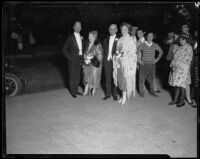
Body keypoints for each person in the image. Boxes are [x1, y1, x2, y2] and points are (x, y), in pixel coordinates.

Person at [113, 22, 137, 105]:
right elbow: (117, 51)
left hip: (126, 64)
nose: (123, 31)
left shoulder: (131, 39)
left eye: (125, 29)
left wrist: (124, 55)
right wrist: (116, 57)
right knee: (120, 80)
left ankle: (124, 97)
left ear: (128, 30)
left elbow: (133, 52)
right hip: (119, 63)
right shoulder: (120, 39)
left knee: (125, 80)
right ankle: (123, 96)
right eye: (122, 29)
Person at [168, 34, 193, 107]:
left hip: (183, 69)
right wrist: (172, 65)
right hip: (175, 68)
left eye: (183, 40)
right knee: (176, 85)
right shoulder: (179, 47)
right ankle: (175, 99)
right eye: (180, 40)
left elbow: (187, 59)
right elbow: (174, 58)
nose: (181, 41)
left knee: (182, 85)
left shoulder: (189, 47)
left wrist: (177, 66)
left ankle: (182, 101)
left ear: (186, 40)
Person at [137, 32, 163, 97]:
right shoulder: (142, 45)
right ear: (146, 37)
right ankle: (142, 92)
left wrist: (157, 59)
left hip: (152, 64)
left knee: (152, 79)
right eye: (149, 36)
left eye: (151, 36)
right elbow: (136, 52)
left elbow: (161, 51)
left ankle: (152, 92)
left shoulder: (155, 45)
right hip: (143, 64)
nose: (150, 37)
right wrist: (139, 61)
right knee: (141, 79)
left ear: (153, 37)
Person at [62, 21, 84, 98]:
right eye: (76, 26)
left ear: (81, 28)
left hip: (80, 60)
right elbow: (64, 49)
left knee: (78, 76)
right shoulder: (70, 37)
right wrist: (70, 58)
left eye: (79, 26)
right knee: (72, 76)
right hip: (72, 61)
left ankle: (76, 90)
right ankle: (73, 92)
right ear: (73, 27)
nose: (78, 28)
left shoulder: (81, 37)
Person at [102, 24, 120, 101]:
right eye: (110, 29)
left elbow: (121, 51)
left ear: (116, 30)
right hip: (107, 61)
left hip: (115, 61)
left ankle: (115, 94)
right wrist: (104, 61)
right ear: (109, 30)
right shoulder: (105, 39)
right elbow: (103, 51)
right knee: (107, 78)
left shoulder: (119, 39)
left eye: (113, 29)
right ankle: (108, 94)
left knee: (115, 78)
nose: (112, 30)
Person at [82, 30, 103, 96]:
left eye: (91, 36)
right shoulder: (88, 44)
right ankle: (86, 89)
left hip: (94, 65)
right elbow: (85, 52)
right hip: (87, 64)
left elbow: (100, 55)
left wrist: (91, 59)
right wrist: (85, 57)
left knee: (94, 77)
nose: (89, 38)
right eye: (89, 36)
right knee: (86, 76)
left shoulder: (98, 44)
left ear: (94, 37)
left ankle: (94, 89)